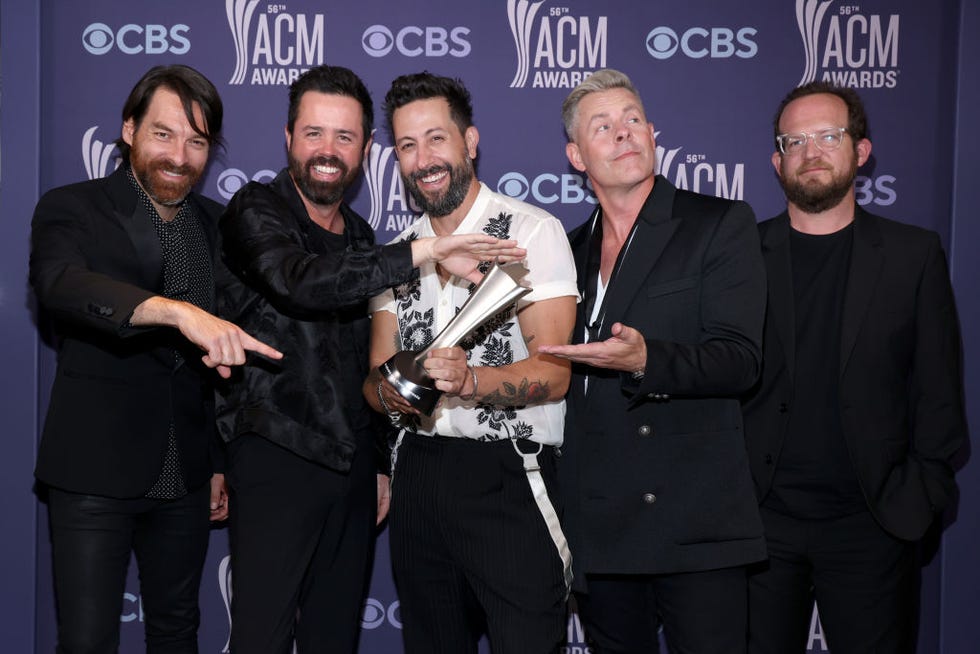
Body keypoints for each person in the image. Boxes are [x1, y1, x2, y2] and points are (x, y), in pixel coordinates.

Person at [215, 65, 525, 654]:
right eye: (313, 134)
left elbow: (370, 361)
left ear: (365, 149)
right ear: (287, 139)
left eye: (345, 137)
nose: (328, 151)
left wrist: (380, 460)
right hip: (276, 455)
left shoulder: (363, 238)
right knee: (263, 635)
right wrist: (425, 250)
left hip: (353, 467)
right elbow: (300, 282)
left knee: (335, 637)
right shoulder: (255, 210)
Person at [29, 64, 282, 654]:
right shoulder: (74, 208)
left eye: (197, 142)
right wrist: (174, 311)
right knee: (88, 641)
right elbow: (60, 283)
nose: (180, 155)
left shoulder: (218, 225)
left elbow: (222, 361)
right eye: (163, 134)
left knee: (177, 631)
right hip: (93, 473)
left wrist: (216, 459)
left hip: (187, 475)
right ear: (128, 130)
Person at [538, 68, 767, 654]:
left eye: (633, 119)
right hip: (600, 518)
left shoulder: (717, 223)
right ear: (575, 155)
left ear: (653, 132)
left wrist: (647, 359)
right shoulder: (566, 249)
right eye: (603, 125)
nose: (623, 133)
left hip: (694, 516)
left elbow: (740, 361)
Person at [740, 82, 966, 654]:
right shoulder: (740, 255)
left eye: (829, 136)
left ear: (860, 151)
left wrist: (915, 502)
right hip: (761, 528)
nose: (811, 152)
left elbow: (938, 394)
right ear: (776, 161)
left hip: (874, 525)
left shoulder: (913, 256)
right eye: (795, 141)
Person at [363, 72, 578, 654]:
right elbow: (379, 377)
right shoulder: (397, 255)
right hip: (419, 476)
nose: (423, 159)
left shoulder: (531, 232)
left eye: (436, 139)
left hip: (508, 475)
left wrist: (473, 381)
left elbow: (555, 372)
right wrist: (390, 389)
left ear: (470, 141)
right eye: (407, 146)